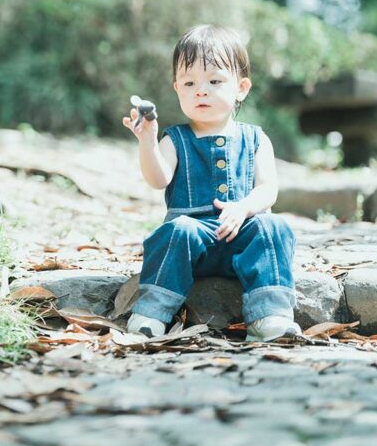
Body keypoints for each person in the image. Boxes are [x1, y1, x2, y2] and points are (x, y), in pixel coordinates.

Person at [121, 24, 302, 342]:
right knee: (174, 232)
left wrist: (244, 207)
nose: (200, 90)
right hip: (194, 242)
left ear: (241, 88)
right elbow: (158, 178)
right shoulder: (175, 139)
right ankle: (152, 312)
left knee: (275, 229)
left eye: (215, 81)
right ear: (177, 88)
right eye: (189, 82)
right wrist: (148, 143)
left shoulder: (256, 138)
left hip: (242, 240)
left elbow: (268, 190)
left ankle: (270, 315)